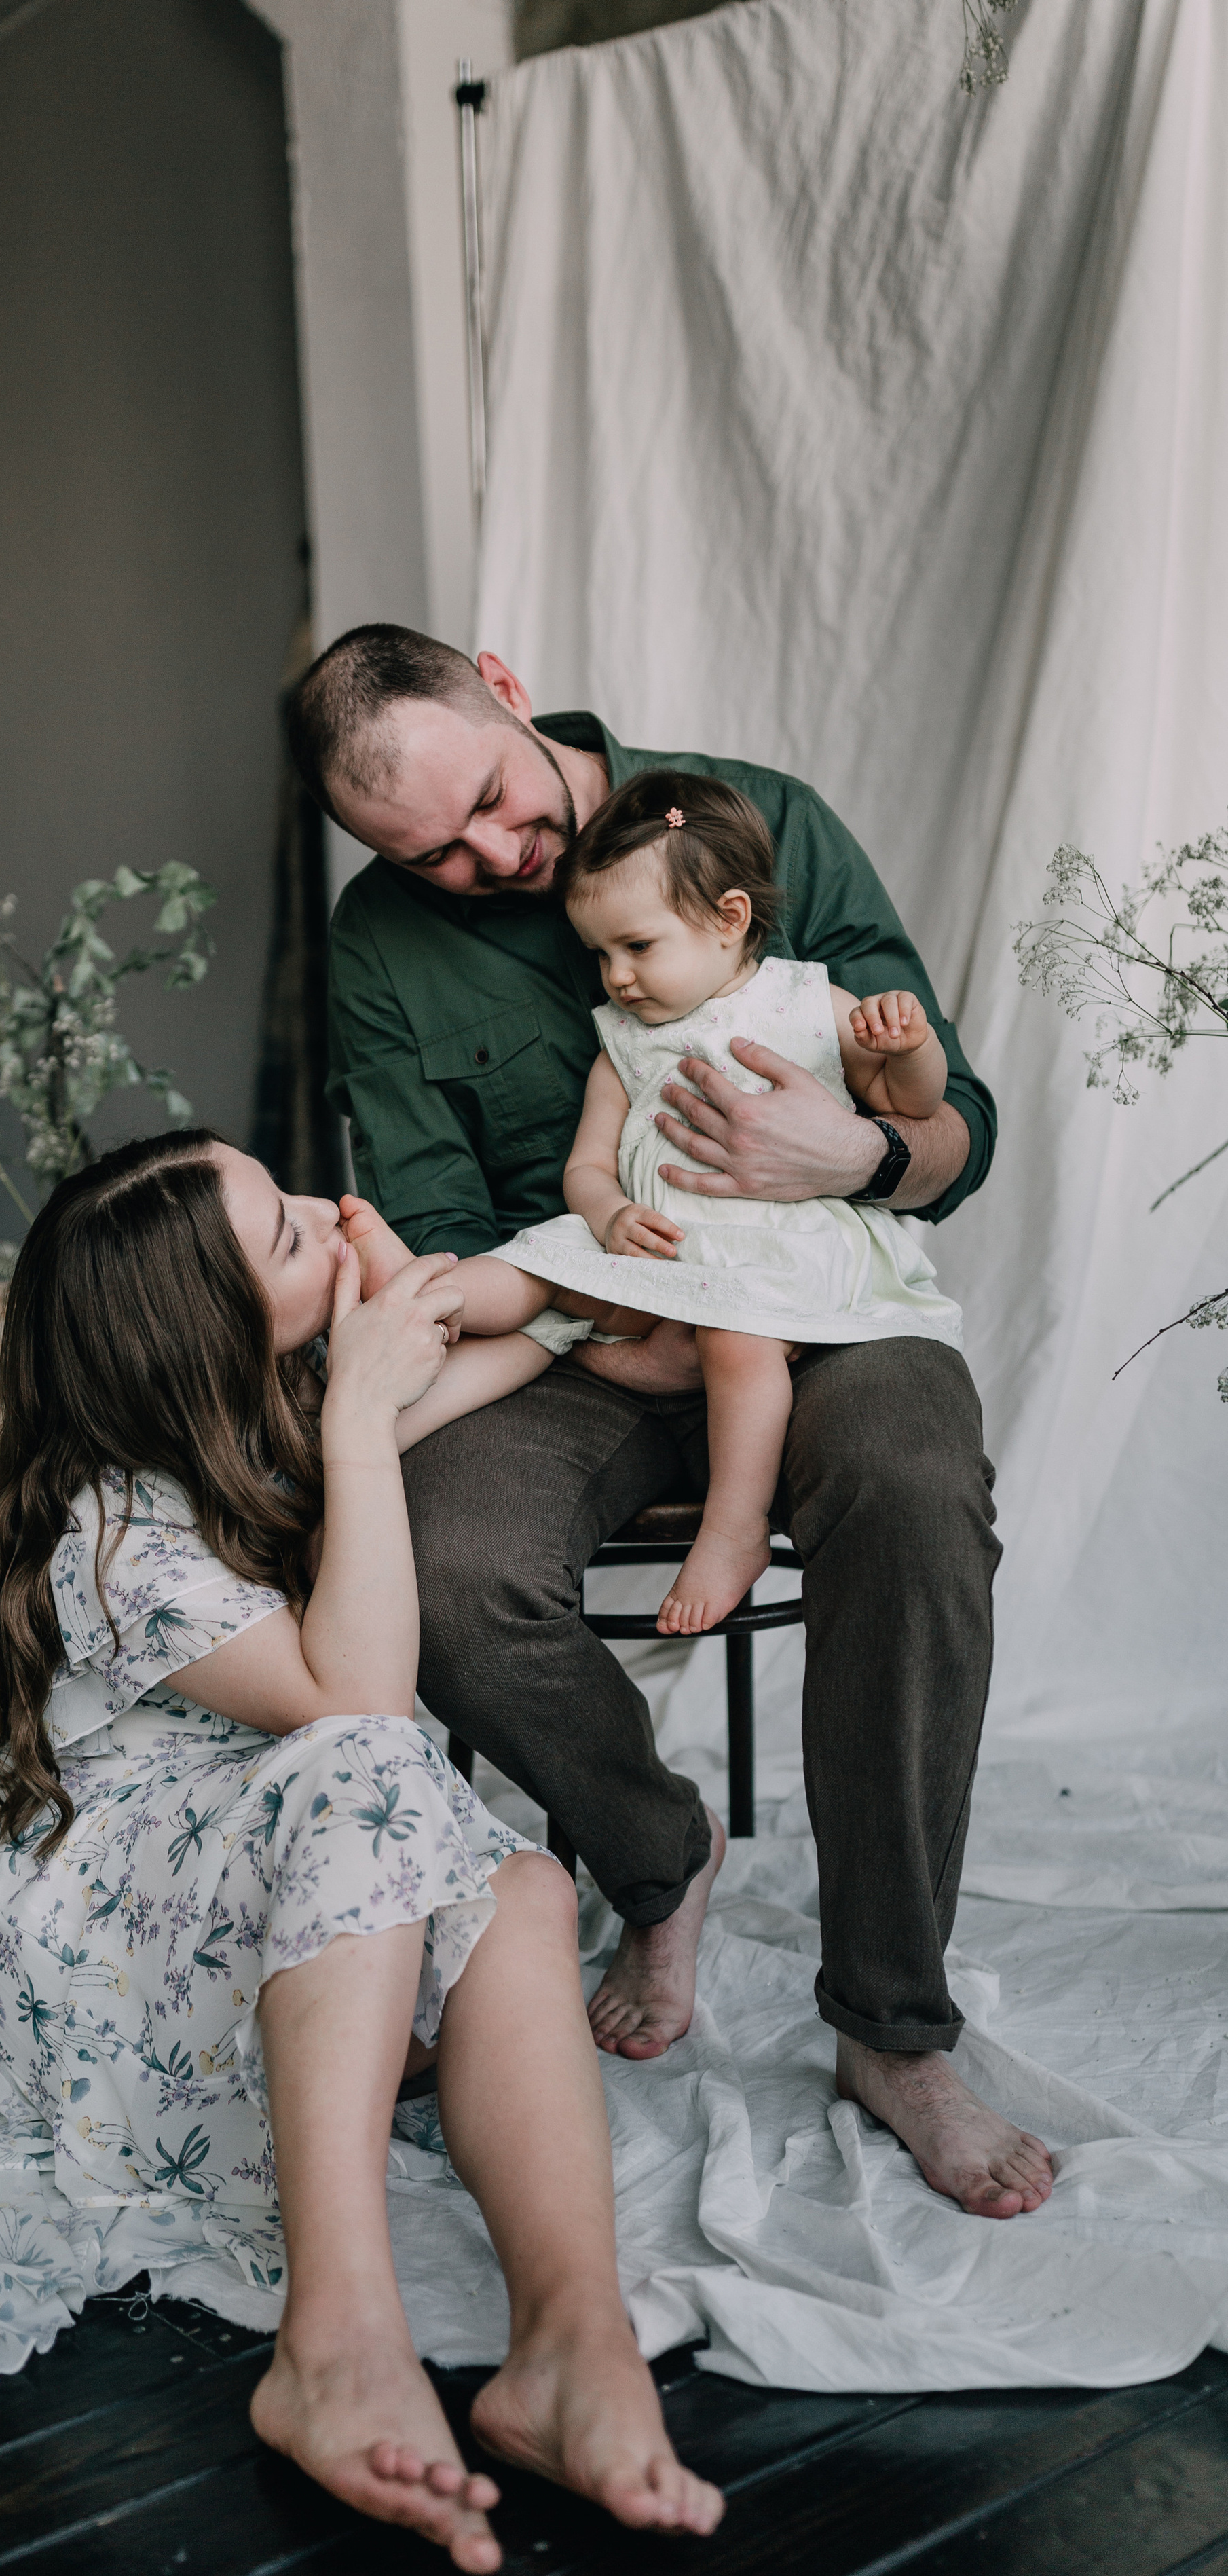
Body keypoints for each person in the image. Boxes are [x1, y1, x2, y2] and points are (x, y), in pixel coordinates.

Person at [291, 623, 1054, 2224]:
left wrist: (845, 1153)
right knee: (435, 1562)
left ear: (504, 684)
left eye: (497, 801)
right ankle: (657, 1857)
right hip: (582, 1326)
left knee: (915, 1487)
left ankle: (890, 2028)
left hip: (820, 1293)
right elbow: (440, 1226)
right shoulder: (376, 942)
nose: (496, 857)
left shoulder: (747, 818)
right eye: (432, 854)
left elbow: (948, 1123)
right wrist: (603, 1311)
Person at [0, 1130, 724, 2572]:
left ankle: (570, 2345)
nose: (324, 1216)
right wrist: (357, 1421)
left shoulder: (262, 1409)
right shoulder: (108, 1537)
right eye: (285, 1236)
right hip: (108, 1957)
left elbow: (494, 1360)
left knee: (520, 1887)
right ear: (197, 1341)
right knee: (368, 1763)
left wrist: (514, 1312)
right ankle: (334, 2338)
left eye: (285, 1191)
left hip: (270, 1854)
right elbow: (362, 1706)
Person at [345, 767, 964, 1639]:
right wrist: (604, 1217)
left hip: (766, 1253)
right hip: (653, 1252)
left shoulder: (807, 1004)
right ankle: (416, 1310)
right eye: (601, 954)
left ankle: (733, 1527)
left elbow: (914, 1108)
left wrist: (909, 1048)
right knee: (534, 1276)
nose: (617, 976)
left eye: (637, 947)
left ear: (729, 920)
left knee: (738, 1339)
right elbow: (588, 1168)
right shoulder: (623, 1043)